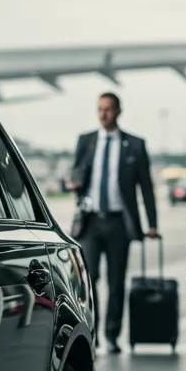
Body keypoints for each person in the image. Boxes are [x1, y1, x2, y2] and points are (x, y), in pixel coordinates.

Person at [71, 92, 158, 353]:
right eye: (99, 109)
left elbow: (146, 187)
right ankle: (92, 332)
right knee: (90, 278)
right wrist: (73, 184)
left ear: (118, 111)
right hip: (91, 222)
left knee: (116, 281)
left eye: (108, 109)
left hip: (119, 223)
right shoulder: (86, 142)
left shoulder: (134, 145)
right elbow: (76, 175)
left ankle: (111, 335)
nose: (103, 114)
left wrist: (151, 224)